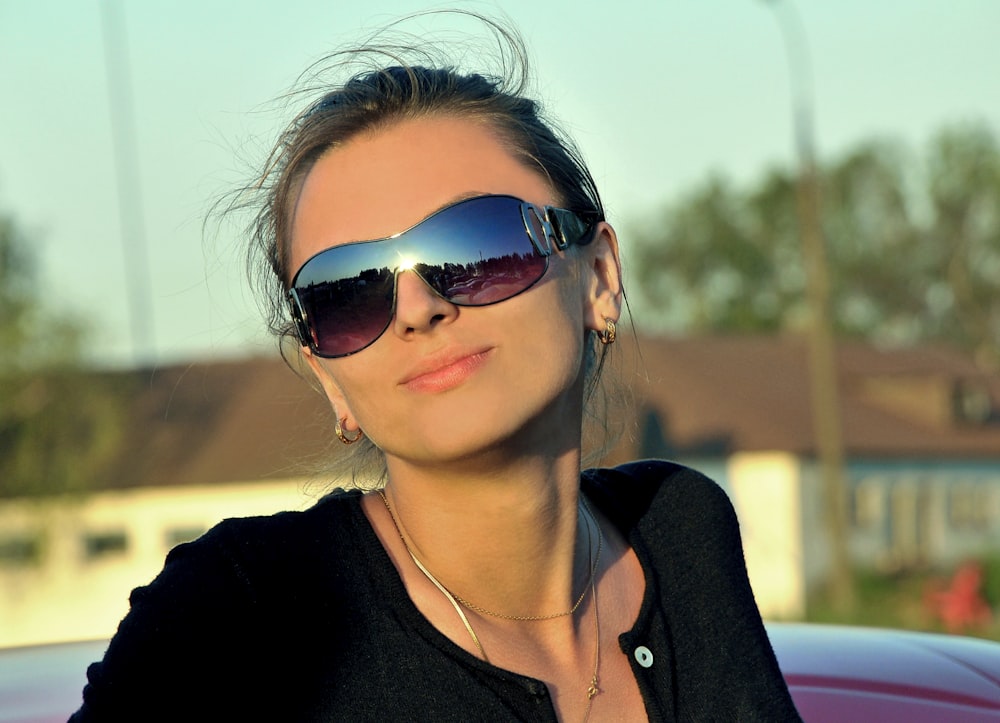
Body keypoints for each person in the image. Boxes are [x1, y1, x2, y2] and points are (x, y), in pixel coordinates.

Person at [71, 14, 801, 723]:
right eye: (347, 293)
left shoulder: (683, 532)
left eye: (474, 250)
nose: (416, 307)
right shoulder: (244, 609)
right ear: (327, 375)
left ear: (599, 275)